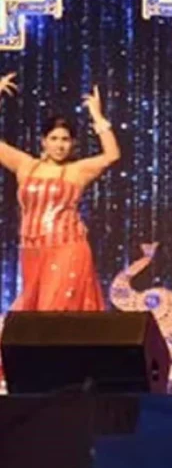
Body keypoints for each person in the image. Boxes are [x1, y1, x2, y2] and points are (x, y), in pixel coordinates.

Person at [0, 73, 119, 312]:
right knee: (34, 314)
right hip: (32, 250)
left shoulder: (77, 171)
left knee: (54, 311)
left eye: (65, 139)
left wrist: (97, 116)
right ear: (43, 141)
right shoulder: (26, 165)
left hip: (68, 247)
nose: (59, 144)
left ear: (73, 143)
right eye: (53, 138)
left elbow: (112, 155)